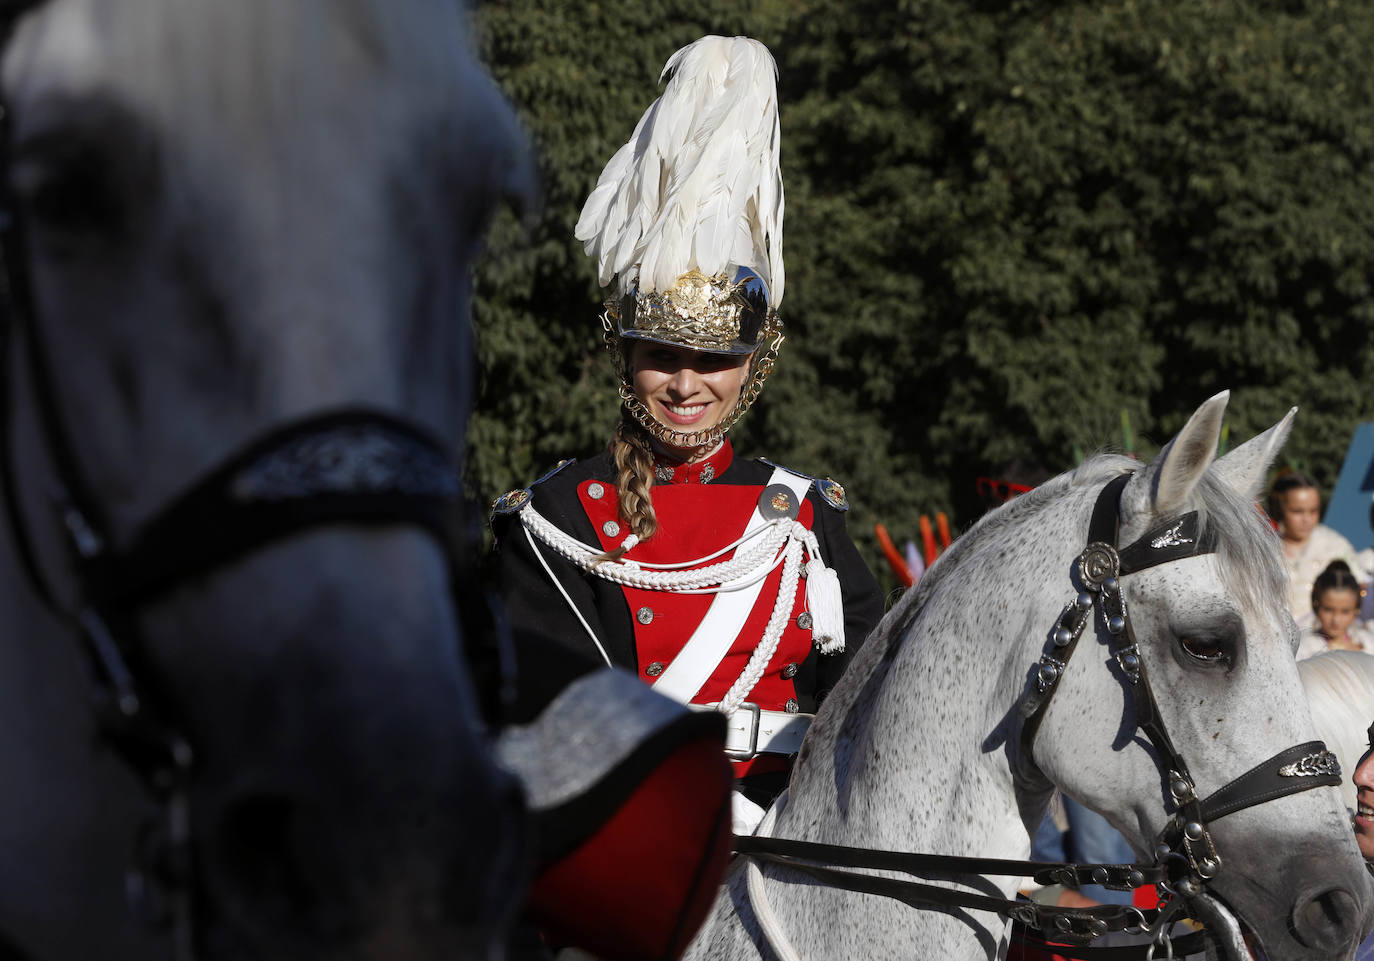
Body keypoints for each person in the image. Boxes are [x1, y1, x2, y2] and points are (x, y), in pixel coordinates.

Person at [490, 36, 884, 837]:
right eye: (661, 357)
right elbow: (544, 730)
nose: (685, 383)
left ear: (754, 366)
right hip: (629, 846)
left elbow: (877, 704)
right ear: (622, 356)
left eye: (712, 360)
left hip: (803, 854)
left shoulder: (804, 518)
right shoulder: (554, 521)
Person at [1269, 471, 1366, 624]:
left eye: (1313, 511)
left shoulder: (1334, 546)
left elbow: (1360, 588)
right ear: (1279, 509)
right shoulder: (1264, 548)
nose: (1306, 519)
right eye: (1297, 511)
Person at [1297, 562, 1374, 659]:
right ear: (1316, 606)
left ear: (1356, 609)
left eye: (1345, 611)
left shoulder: (1368, 643)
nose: (1336, 620)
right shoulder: (1305, 650)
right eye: (1328, 610)